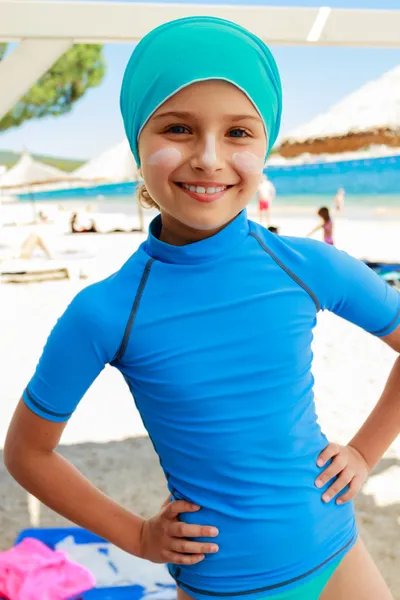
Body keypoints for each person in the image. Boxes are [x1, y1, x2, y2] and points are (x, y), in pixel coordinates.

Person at [4, 17, 400, 600]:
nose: (210, 158)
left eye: (239, 132)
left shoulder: (307, 265)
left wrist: (366, 451)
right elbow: (27, 452)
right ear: (138, 142)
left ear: (266, 145)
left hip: (340, 556)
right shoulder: (107, 310)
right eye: (179, 128)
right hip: (226, 584)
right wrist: (137, 535)